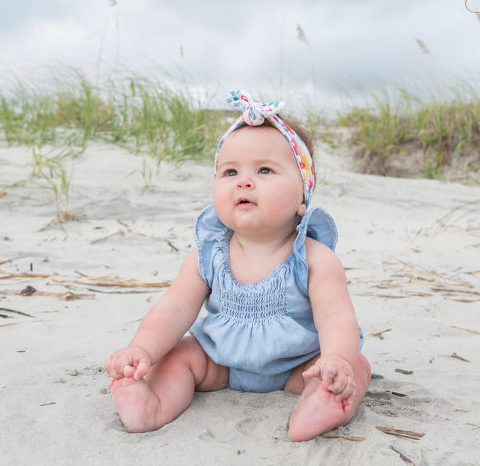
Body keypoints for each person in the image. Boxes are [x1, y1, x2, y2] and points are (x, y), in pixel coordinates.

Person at [104, 90, 370, 441]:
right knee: (180, 354)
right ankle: (151, 404)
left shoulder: (315, 257)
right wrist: (143, 349)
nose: (244, 181)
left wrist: (337, 359)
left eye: (264, 169)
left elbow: (336, 317)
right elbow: (173, 309)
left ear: (303, 197)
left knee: (356, 368)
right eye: (230, 171)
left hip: (298, 366)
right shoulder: (208, 254)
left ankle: (318, 404)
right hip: (220, 362)